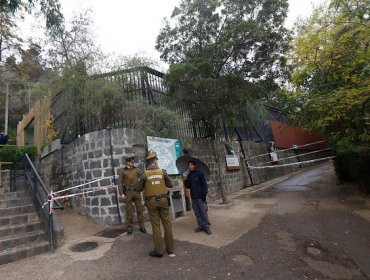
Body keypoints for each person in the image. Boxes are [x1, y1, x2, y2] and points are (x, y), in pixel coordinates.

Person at [141, 150, 174, 258]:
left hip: (151, 202)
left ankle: (159, 251)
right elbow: (171, 184)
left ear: (148, 162)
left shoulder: (144, 174)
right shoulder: (163, 172)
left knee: (156, 226)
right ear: (155, 161)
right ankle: (170, 249)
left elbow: (138, 188)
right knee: (167, 224)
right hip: (164, 201)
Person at [118, 154, 146, 235]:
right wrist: (121, 193)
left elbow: (143, 178)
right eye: (131, 161)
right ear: (127, 162)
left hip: (136, 192)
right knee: (129, 211)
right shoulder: (123, 171)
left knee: (140, 211)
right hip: (128, 193)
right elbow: (119, 182)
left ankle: (142, 227)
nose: (132, 163)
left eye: (133, 161)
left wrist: (141, 188)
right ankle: (129, 227)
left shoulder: (137, 170)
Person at [184, 160, 212, 235]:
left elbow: (204, 186)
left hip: (200, 197)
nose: (190, 166)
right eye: (189, 165)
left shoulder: (200, 174)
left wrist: (204, 196)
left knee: (203, 212)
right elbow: (188, 186)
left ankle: (207, 226)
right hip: (193, 197)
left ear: (195, 165)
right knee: (197, 213)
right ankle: (201, 225)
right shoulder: (189, 175)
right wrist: (185, 182)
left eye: (191, 165)